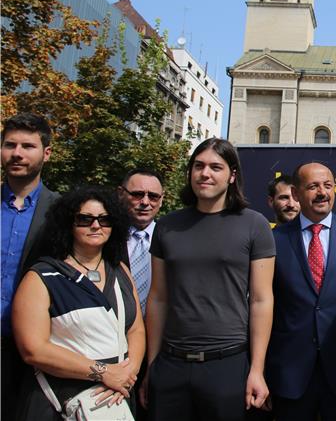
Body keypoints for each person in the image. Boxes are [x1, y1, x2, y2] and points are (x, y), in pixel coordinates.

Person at [145, 138, 275, 421]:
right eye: (198, 166)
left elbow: (262, 300)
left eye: (216, 167)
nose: (205, 174)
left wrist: (257, 369)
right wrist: (152, 365)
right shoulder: (167, 226)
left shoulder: (254, 225)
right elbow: (158, 297)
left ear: (232, 176)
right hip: (170, 364)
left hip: (227, 365)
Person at [12, 186, 145, 420]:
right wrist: (104, 373)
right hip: (60, 402)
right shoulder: (42, 277)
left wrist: (128, 373)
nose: (96, 225)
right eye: (85, 219)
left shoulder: (120, 270)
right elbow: (33, 349)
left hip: (115, 400)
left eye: (105, 219)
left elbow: (135, 329)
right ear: (68, 223)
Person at [267, 162, 336, 421]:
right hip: (289, 374)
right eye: (313, 186)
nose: (322, 192)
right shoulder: (273, 240)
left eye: (328, 186)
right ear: (295, 193)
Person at [1, 112, 59, 420]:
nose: (17, 153)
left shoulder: (61, 213)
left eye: (28, 146)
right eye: (10, 145)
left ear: (46, 153)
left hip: (37, 354)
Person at [118, 168, 164, 317]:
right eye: (137, 195)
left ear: (161, 200)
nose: (145, 202)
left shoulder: (173, 240)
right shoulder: (105, 238)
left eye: (153, 196)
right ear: (121, 194)